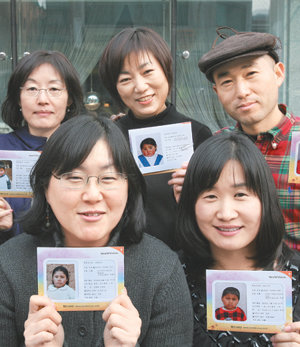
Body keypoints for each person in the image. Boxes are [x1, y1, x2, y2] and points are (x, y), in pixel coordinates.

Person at [0, 115, 193, 346]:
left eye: (108, 177)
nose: (92, 195)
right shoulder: (8, 265)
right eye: (73, 177)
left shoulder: (161, 268)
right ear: (45, 187)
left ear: (128, 186)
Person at [177, 132, 300, 346]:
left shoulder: (295, 277)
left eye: (240, 195)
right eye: (210, 196)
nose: (226, 213)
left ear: (264, 200)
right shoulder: (171, 278)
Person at [99, 26, 212, 249]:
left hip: (182, 259)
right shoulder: (109, 136)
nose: (140, 87)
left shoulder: (197, 134)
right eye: (125, 79)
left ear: (166, 69)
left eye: (148, 72)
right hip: (119, 257)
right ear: (115, 89)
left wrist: (198, 192)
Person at [197, 26, 300, 250]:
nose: (241, 91)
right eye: (227, 82)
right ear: (217, 92)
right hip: (231, 281)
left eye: (250, 74)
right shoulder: (214, 147)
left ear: (278, 74)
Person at [0, 50, 83, 243]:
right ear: (18, 98)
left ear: (69, 98)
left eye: (54, 89)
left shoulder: (87, 150)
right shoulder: (2, 149)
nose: (43, 100)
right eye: (32, 89)